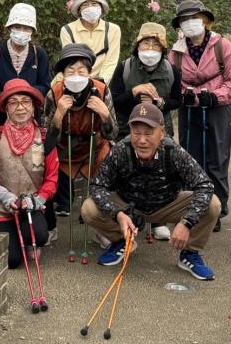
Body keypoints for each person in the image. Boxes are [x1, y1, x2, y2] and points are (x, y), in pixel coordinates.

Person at [82, 102, 221, 280]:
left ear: (162, 133)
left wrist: (187, 222)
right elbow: (97, 185)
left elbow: (204, 184)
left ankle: (190, 253)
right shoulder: (120, 150)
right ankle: (122, 241)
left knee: (213, 204)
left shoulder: (174, 152)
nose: (142, 140)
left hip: (168, 204)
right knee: (88, 208)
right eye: (136, 132)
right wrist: (118, 214)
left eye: (149, 133)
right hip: (128, 207)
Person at [168, 0, 231, 231]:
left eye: (194, 18)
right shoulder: (177, 51)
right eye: (185, 20)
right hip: (190, 109)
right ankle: (193, 207)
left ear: (205, 20)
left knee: (216, 159)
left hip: (217, 108)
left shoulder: (222, 46)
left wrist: (215, 97)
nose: (190, 24)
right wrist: (183, 94)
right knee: (190, 157)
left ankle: (217, 209)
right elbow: (172, 82)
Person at [0, 79, 58, 268]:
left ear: (34, 106)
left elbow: (52, 179)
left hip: (31, 205)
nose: (20, 107)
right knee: (12, 261)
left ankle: (28, 239)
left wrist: (38, 200)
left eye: (25, 102)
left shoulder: (45, 137)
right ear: (6, 108)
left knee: (39, 235)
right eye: (13, 103)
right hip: (0, 207)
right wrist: (4, 195)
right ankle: (12, 237)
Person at [109, 22, 181, 240]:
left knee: (162, 172)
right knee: (125, 172)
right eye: (146, 44)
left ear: (163, 49)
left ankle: (159, 220)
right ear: (137, 46)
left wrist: (159, 103)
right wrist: (134, 92)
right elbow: (114, 101)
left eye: (155, 45)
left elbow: (177, 100)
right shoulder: (126, 67)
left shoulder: (171, 70)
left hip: (160, 131)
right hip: (127, 129)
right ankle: (125, 215)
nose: (150, 49)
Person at [42, 44, 118, 219]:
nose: (76, 76)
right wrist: (58, 115)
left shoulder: (102, 90)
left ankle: (102, 221)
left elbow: (112, 134)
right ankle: (53, 216)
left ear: (90, 72)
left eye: (82, 71)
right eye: (70, 71)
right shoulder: (54, 93)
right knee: (46, 160)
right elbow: (47, 138)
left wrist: (105, 114)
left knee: (110, 156)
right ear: (63, 74)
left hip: (95, 146)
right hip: (65, 147)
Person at [0, 3, 52, 128]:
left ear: (32, 31)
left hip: (29, 117)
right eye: (17, 27)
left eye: (27, 28)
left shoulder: (38, 54)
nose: (22, 32)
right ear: (10, 28)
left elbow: (45, 85)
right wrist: (8, 97)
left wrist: (25, 93)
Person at [58, 0, 121, 84]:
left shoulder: (113, 29)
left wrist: (100, 83)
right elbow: (70, 60)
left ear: (101, 7)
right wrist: (82, 81)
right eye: (85, 5)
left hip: (102, 81)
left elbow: (111, 62)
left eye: (94, 4)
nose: (90, 8)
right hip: (75, 78)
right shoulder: (67, 30)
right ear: (79, 10)